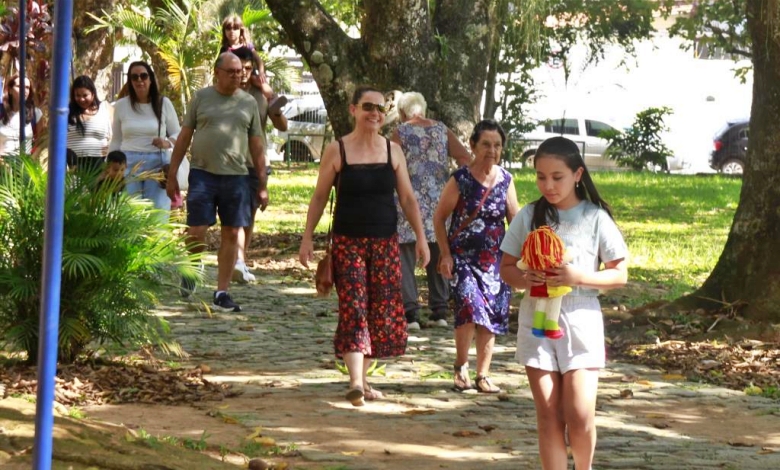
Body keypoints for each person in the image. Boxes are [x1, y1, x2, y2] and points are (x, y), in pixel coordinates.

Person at [498, 136, 628, 470]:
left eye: (557, 177)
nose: (549, 185)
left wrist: (577, 277)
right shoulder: (528, 216)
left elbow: (619, 275)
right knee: (549, 413)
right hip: (537, 321)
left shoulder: (595, 218)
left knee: (580, 414)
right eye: (541, 177)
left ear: (578, 175)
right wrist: (527, 279)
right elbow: (507, 267)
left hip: (582, 320)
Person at [298, 86, 430, 407]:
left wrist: (422, 238)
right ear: (353, 109)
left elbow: (408, 199)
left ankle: (363, 378)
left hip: (385, 243)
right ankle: (356, 381)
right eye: (367, 106)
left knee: (382, 312)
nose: (374, 113)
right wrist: (307, 237)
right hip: (348, 243)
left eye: (380, 108)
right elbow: (318, 197)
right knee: (354, 307)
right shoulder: (337, 150)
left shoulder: (392, 151)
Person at [166, 52, 266, 313]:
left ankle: (221, 292)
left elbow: (257, 145)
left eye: (240, 71)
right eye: (231, 71)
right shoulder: (201, 98)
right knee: (196, 229)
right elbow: (185, 135)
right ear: (217, 73)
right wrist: (173, 173)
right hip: (202, 173)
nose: (238, 75)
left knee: (232, 232)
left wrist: (263, 184)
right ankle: (193, 262)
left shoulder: (248, 103)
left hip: (237, 177)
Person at [433, 119, 520, 394]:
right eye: (486, 144)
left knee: (490, 316)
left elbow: (515, 220)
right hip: (463, 258)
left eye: (497, 145)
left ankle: (483, 375)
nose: (491, 150)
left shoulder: (506, 180)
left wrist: (518, 260)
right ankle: (461, 367)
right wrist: (445, 255)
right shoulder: (461, 179)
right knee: (470, 309)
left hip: (495, 260)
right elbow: (439, 218)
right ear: (472, 145)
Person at [390, 91, 472, 331]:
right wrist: (453, 184)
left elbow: (388, 162)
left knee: (406, 254)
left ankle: (411, 314)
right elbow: (464, 158)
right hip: (439, 201)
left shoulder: (401, 132)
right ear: (423, 108)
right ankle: (439, 311)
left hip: (407, 200)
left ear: (403, 112)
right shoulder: (441, 130)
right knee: (438, 252)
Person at [231, 47, 288, 285]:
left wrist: (269, 97)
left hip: (255, 162)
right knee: (235, 214)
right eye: (240, 68)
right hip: (230, 162)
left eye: (248, 68)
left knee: (249, 214)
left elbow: (282, 125)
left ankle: (240, 261)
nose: (244, 74)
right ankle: (235, 260)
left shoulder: (260, 94)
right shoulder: (225, 91)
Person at [109, 61, 180, 212]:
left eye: (143, 76)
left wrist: (167, 143)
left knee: (157, 213)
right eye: (134, 77)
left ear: (151, 79)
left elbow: (178, 133)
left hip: (157, 163)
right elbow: (116, 139)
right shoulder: (121, 105)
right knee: (130, 213)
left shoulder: (163, 103)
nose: (139, 80)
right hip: (127, 164)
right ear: (130, 81)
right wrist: (109, 166)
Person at [220, 14, 286, 115]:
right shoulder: (225, 49)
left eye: (235, 28)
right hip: (233, 76)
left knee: (260, 82)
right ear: (224, 32)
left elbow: (259, 60)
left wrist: (261, 72)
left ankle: (273, 99)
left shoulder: (248, 45)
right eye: (228, 28)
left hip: (249, 75)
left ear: (241, 30)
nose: (232, 31)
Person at [67, 75, 112, 173]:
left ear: (93, 94)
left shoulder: (105, 108)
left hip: (98, 163)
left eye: (85, 95)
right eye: (77, 96)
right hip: (73, 164)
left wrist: (110, 146)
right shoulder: (66, 112)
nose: (81, 99)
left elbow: (115, 133)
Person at [0, 74, 43, 158]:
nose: (24, 90)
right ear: (10, 90)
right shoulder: (1, 110)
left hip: (25, 164)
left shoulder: (36, 113)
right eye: (20, 86)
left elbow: (40, 143)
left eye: (27, 87)